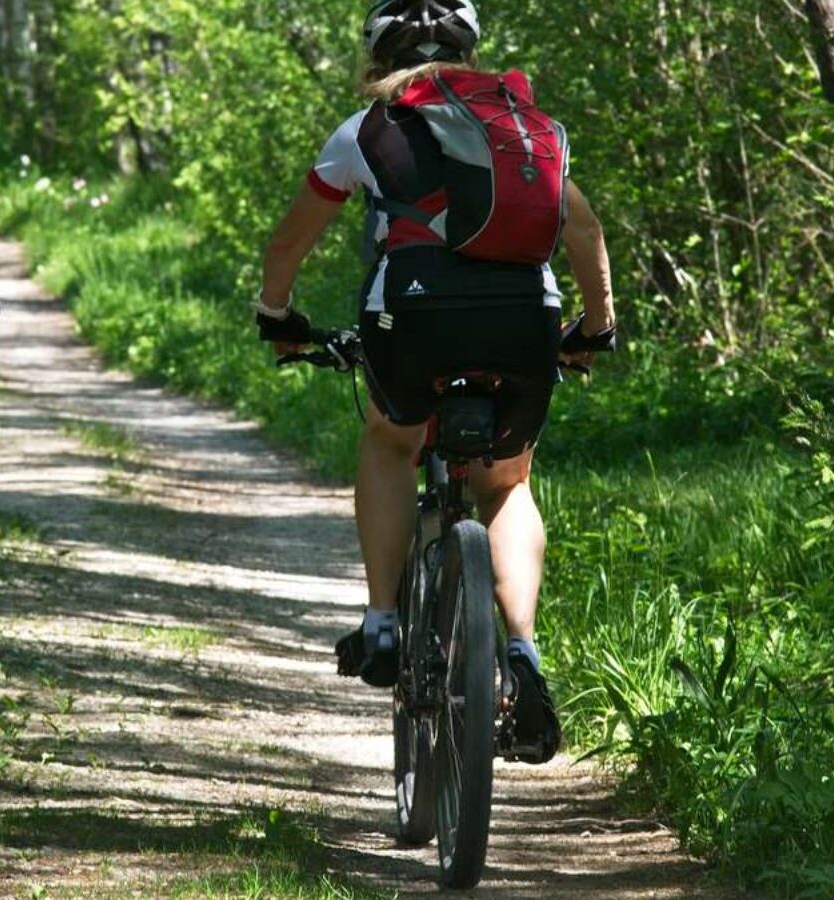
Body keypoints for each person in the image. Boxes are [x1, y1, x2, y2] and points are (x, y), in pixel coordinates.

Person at [254, 0, 617, 763]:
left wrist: (278, 316)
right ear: (469, 50)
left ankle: (383, 622)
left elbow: (289, 242)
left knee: (390, 440)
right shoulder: (524, 126)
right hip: (523, 317)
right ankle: (523, 653)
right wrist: (595, 328)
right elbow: (582, 231)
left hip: (412, 320)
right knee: (507, 484)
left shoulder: (365, 132)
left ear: (378, 57)